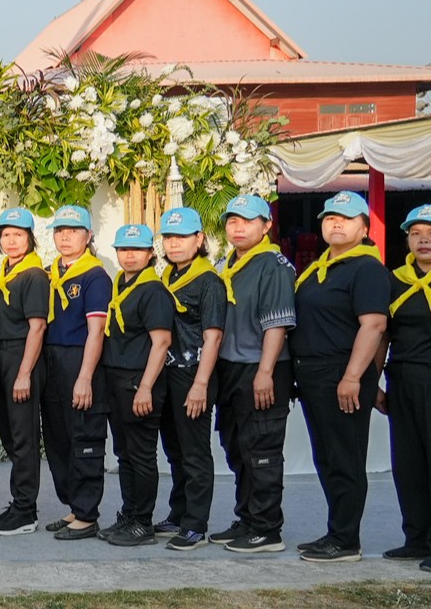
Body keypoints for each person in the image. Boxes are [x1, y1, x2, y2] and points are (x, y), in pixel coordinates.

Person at [290, 191, 389, 563]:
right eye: (330, 217)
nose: (335, 223)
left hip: (342, 374)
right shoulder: (318, 270)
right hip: (314, 374)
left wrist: (354, 377)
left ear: (364, 228)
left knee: (345, 458)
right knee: (328, 457)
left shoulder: (367, 269)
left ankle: (346, 540)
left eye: (346, 219)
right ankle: (336, 531)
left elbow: (375, 325)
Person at [211, 193, 296, 553]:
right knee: (237, 448)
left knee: (261, 448)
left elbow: (276, 326)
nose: (238, 227)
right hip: (230, 368)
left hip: (261, 369)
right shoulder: (226, 264)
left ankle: (266, 528)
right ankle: (246, 517)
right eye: (232, 221)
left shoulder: (273, 266)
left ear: (266, 226)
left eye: (247, 221)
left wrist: (265, 371)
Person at [98, 224, 174, 547]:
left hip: (139, 381)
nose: (129, 255)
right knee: (124, 453)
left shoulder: (152, 290)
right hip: (117, 378)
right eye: (124, 249)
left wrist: (145, 387)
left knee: (142, 454)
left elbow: (162, 342)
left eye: (137, 249)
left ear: (150, 253)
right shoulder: (121, 284)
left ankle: (143, 522)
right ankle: (129, 514)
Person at [155, 207, 226, 552]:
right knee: (175, 450)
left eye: (182, 237)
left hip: (193, 376)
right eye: (169, 237)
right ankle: (179, 512)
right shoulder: (166, 276)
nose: (174, 244)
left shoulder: (208, 280)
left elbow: (213, 337)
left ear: (199, 239)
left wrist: (201, 384)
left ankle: (196, 524)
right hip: (167, 373)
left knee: (195, 452)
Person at [40, 205, 111, 541]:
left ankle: (87, 513)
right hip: (51, 361)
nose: (65, 236)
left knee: (83, 437)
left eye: (73, 230)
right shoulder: (50, 272)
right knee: (58, 439)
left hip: (80, 360)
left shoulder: (95, 275)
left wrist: (85, 377)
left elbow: (96, 331)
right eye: (59, 231)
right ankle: (73, 506)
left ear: (88, 236)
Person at [0, 207, 49, 536]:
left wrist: (24, 373)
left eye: (18, 235)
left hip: (21, 356)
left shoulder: (33, 275)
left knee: (24, 437)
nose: (11, 241)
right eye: (6, 235)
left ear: (30, 239)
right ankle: (19, 502)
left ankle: (26, 511)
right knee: (11, 435)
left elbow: (37, 327)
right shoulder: (4, 272)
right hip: (2, 358)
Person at [381, 203, 431, 572]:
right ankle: (416, 539)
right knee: (408, 463)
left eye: (430, 233)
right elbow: (382, 332)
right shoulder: (394, 278)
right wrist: (373, 384)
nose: (423, 240)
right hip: (403, 379)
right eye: (416, 234)